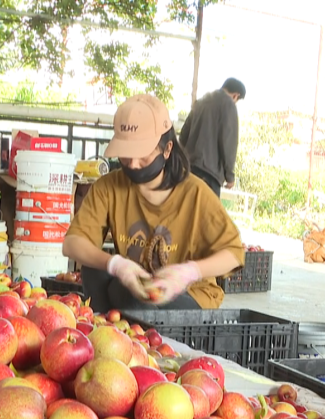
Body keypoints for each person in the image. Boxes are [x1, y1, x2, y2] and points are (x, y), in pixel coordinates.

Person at [63, 94, 245, 313]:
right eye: (126, 155)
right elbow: (72, 243)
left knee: (140, 304)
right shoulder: (108, 187)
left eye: (144, 156)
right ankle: (108, 333)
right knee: (97, 272)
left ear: (167, 149)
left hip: (188, 295)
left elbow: (234, 255)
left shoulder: (195, 193)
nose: (134, 164)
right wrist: (116, 265)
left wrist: (190, 272)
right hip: (135, 288)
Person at [178, 77, 246, 198]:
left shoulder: (201, 102)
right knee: (205, 215)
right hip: (209, 175)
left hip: (188, 170)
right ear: (236, 95)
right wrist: (229, 176)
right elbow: (229, 143)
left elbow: (183, 135)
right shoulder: (229, 105)